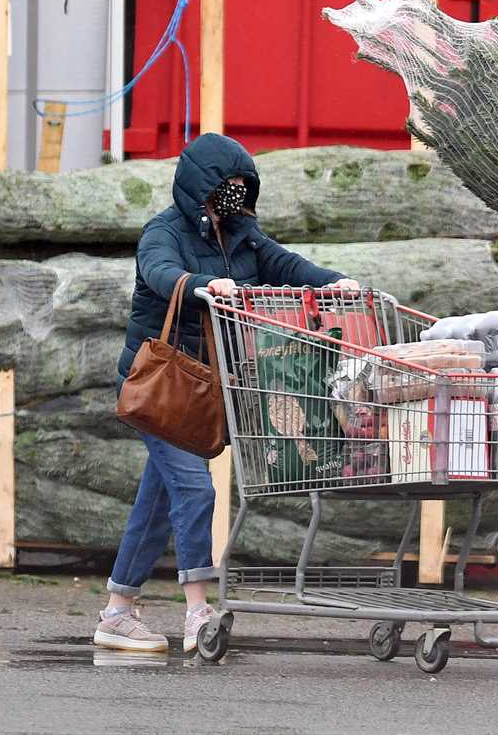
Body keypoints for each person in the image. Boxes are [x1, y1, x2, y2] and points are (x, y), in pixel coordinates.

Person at [94, 133, 360, 654]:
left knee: (158, 498)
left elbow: (285, 266)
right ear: (200, 185)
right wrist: (201, 284)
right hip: (163, 386)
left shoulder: (242, 234)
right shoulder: (163, 232)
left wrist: (332, 282)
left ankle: (117, 612)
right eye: (226, 186)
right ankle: (197, 611)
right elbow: (159, 271)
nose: (234, 194)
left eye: (243, 186)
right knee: (195, 489)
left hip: (208, 387)